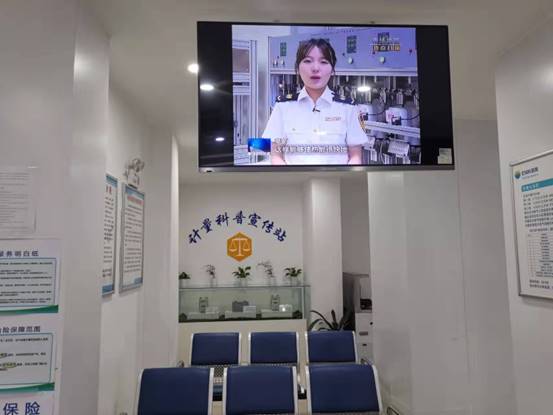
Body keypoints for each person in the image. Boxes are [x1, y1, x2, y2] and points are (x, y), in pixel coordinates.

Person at [262, 38, 368, 165]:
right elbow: (276, 155)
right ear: (297, 68)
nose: (315, 68)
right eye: (307, 61)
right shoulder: (283, 107)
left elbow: (355, 157)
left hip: (336, 177)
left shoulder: (348, 108)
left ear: (332, 69)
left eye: (323, 62)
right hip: (294, 177)